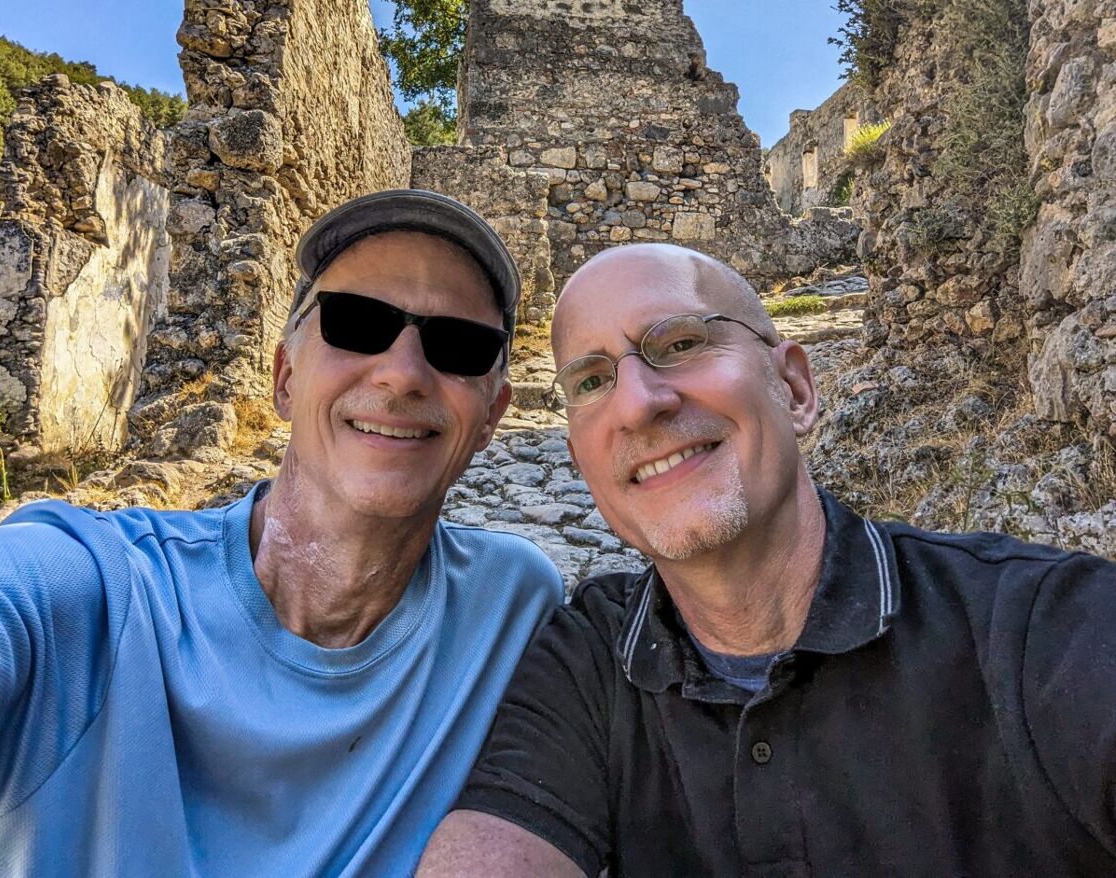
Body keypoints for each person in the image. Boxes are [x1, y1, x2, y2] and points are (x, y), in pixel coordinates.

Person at [418, 242, 1116, 877]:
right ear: (579, 461)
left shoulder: (1039, 632)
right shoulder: (588, 664)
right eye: (593, 381)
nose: (637, 404)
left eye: (681, 342)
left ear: (796, 390)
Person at [0, 190, 564, 877]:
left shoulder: (511, 605)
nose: (403, 373)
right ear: (286, 376)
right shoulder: (98, 593)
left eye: (458, 346)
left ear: (491, 416)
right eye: (358, 323)